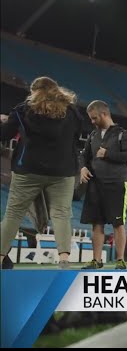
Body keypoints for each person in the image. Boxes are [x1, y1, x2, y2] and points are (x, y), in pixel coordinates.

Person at [0, 76, 83, 269]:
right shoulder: (72, 112)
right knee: (61, 214)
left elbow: (4, 135)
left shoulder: (22, 110)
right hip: (62, 171)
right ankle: (64, 259)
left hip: (28, 169)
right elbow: (76, 136)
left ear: (34, 91)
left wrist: (6, 121)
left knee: (13, 213)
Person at [79, 100, 127, 270]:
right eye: (91, 118)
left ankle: (120, 260)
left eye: (94, 118)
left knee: (118, 224)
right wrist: (82, 168)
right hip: (95, 184)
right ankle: (96, 260)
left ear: (104, 114)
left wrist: (108, 154)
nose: (92, 121)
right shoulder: (92, 135)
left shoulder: (122, 134)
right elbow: (83, 155)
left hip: (116, 184)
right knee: (96, 223)